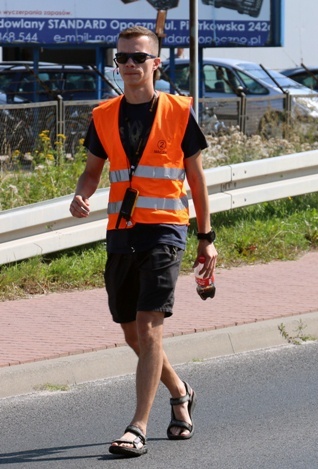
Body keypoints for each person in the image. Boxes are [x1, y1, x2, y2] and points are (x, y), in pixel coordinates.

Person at [70, 25, 217, 458]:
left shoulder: (178, 111)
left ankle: (137, 426)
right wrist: (82, 193)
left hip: (166, 230)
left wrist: (206, 238)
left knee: (151, 327)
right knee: (131, 332)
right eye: (122, 59)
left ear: (156, 63)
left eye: (138, 58)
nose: (129, 65)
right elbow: (92, 171)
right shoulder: (103, 116)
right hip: (121, 231)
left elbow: (197, 179)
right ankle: (180, 390)